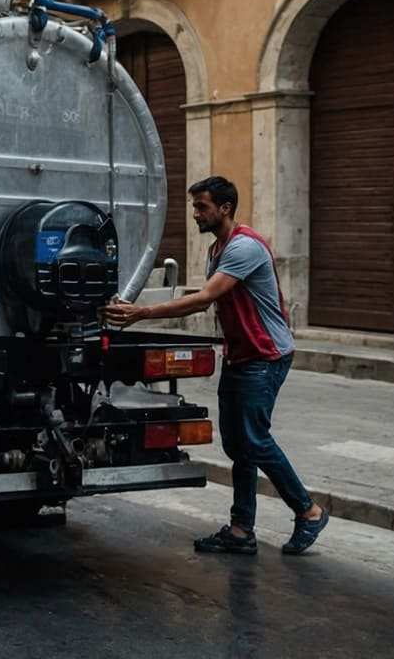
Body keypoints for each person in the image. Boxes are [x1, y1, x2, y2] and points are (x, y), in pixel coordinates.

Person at [104, 176, 328, 556]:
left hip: (266, 355)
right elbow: (208, 302)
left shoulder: (244, 247)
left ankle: (308, 511)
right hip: (241, 355)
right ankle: (242, 531)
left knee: (254, 440)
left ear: (224, 208)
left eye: (201, 207)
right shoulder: (217, 249)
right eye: (195, 207)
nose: (195, 214)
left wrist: (141, 313)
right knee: (238, 444)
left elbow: (204, 297)